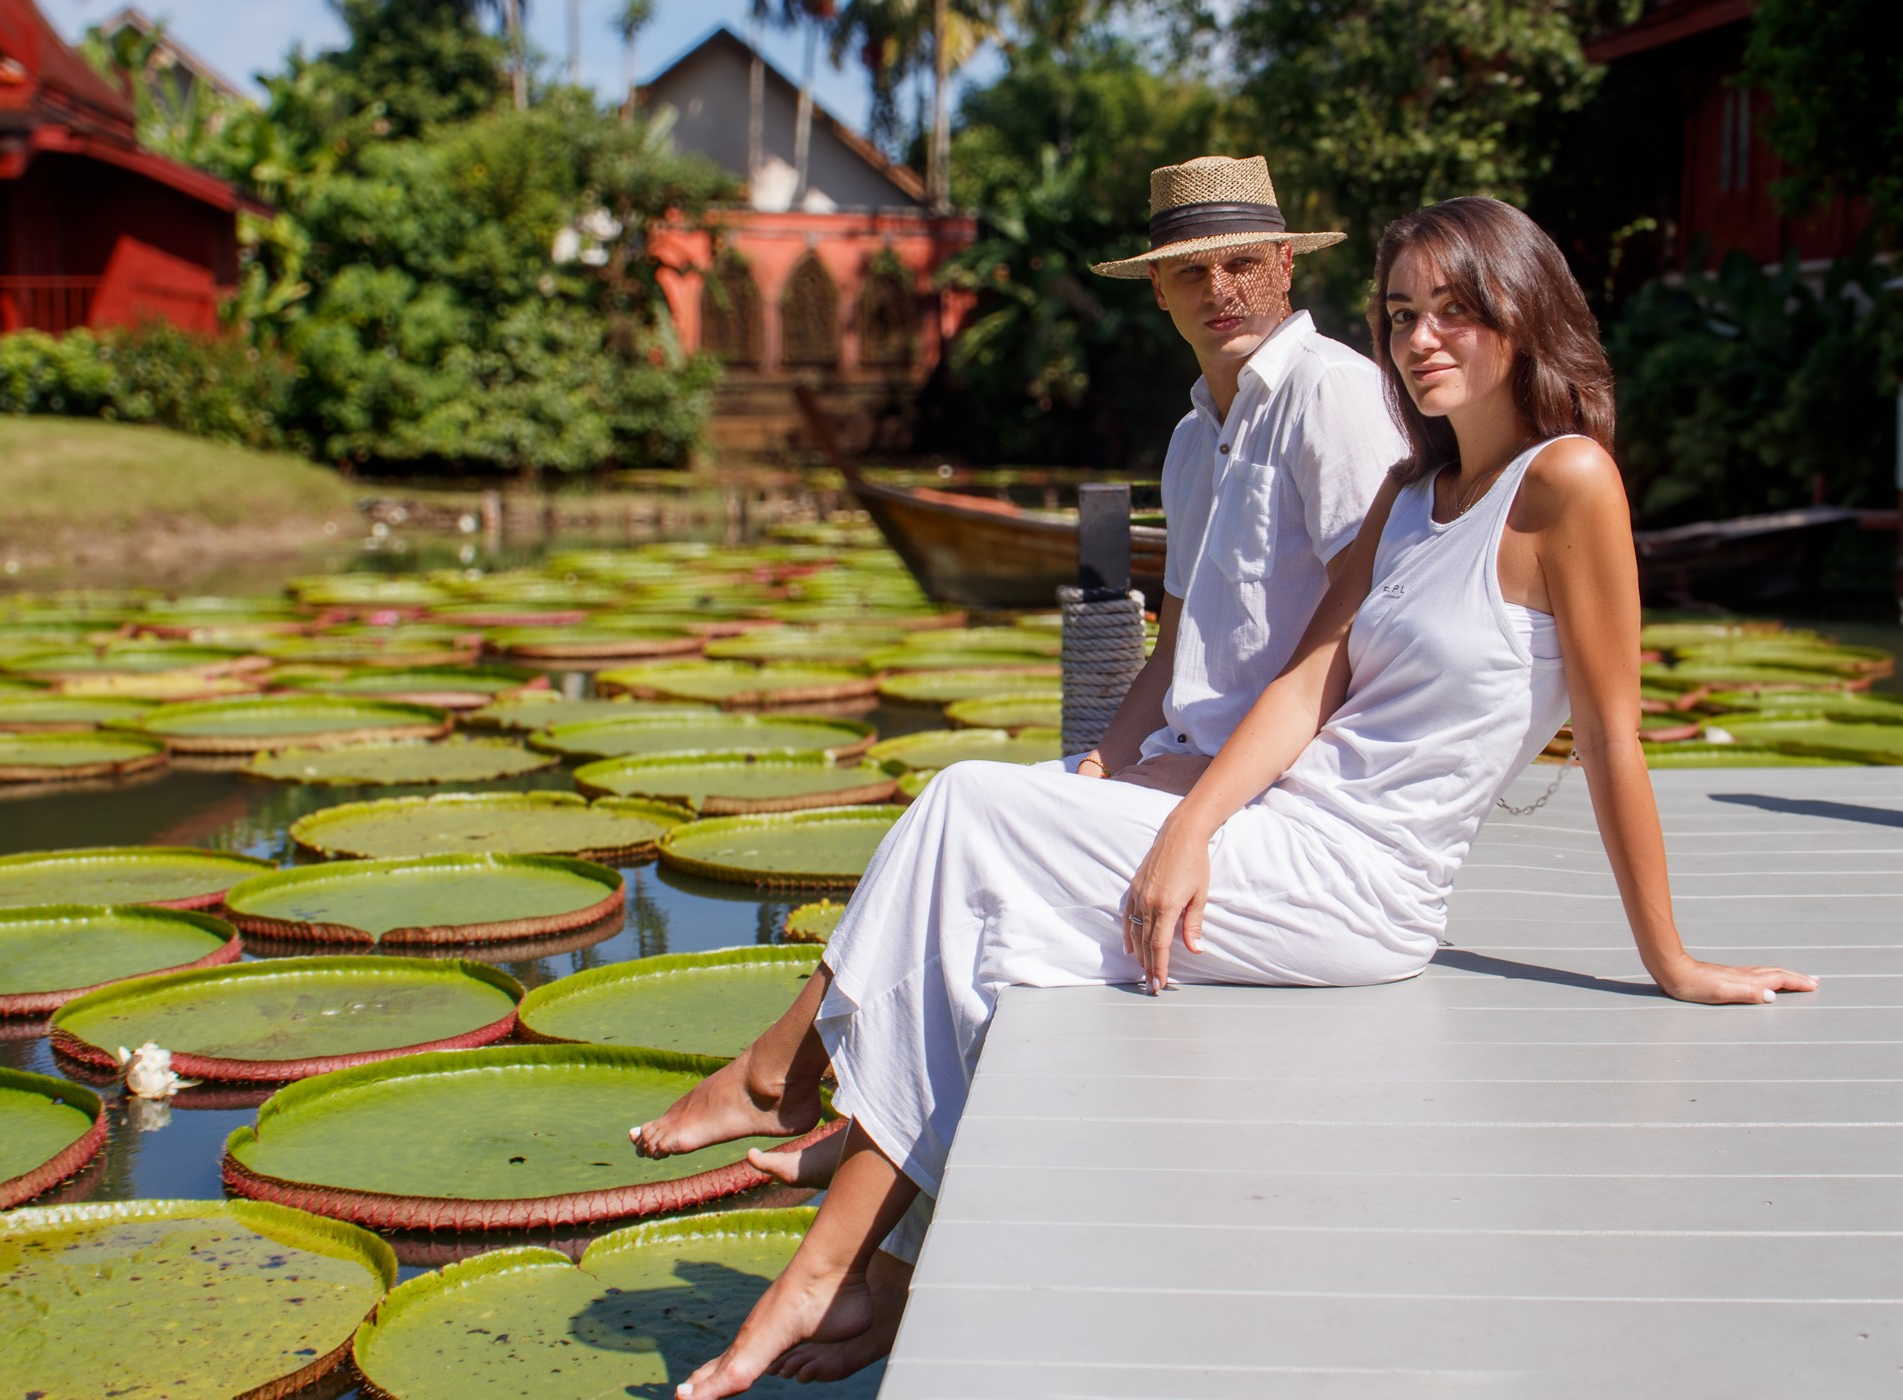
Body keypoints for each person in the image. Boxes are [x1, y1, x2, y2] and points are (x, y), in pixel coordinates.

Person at [659, 195, 1820, 1400]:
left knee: (967, 811)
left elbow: (1618, 737)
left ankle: (826, 1215)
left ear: (1524, 314)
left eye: (1455, 311)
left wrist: (1673, 961)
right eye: (1404, 315)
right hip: (1281, 830)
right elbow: (1307, 682)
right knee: (981, 892)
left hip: (1363, 887)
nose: (1422, 339)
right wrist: (1191, 824)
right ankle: (864, 1261)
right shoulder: (1410, 496)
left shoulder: (1567, 484)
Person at [633, 154, 1401, 1380]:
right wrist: (1099, 762)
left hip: (1284, 796)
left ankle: (794, 1088)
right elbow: (1185, 635)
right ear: (1156, 291)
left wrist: (1199, 808)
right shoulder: (1195, 437)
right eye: (1191, 270)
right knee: (978, 863)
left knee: (957, 804)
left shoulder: (1332, 395)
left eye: (1243, 260)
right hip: (1188, 762)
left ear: (1289, 262)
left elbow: (1358, 634)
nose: (1222, 288)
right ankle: (854, 1243)